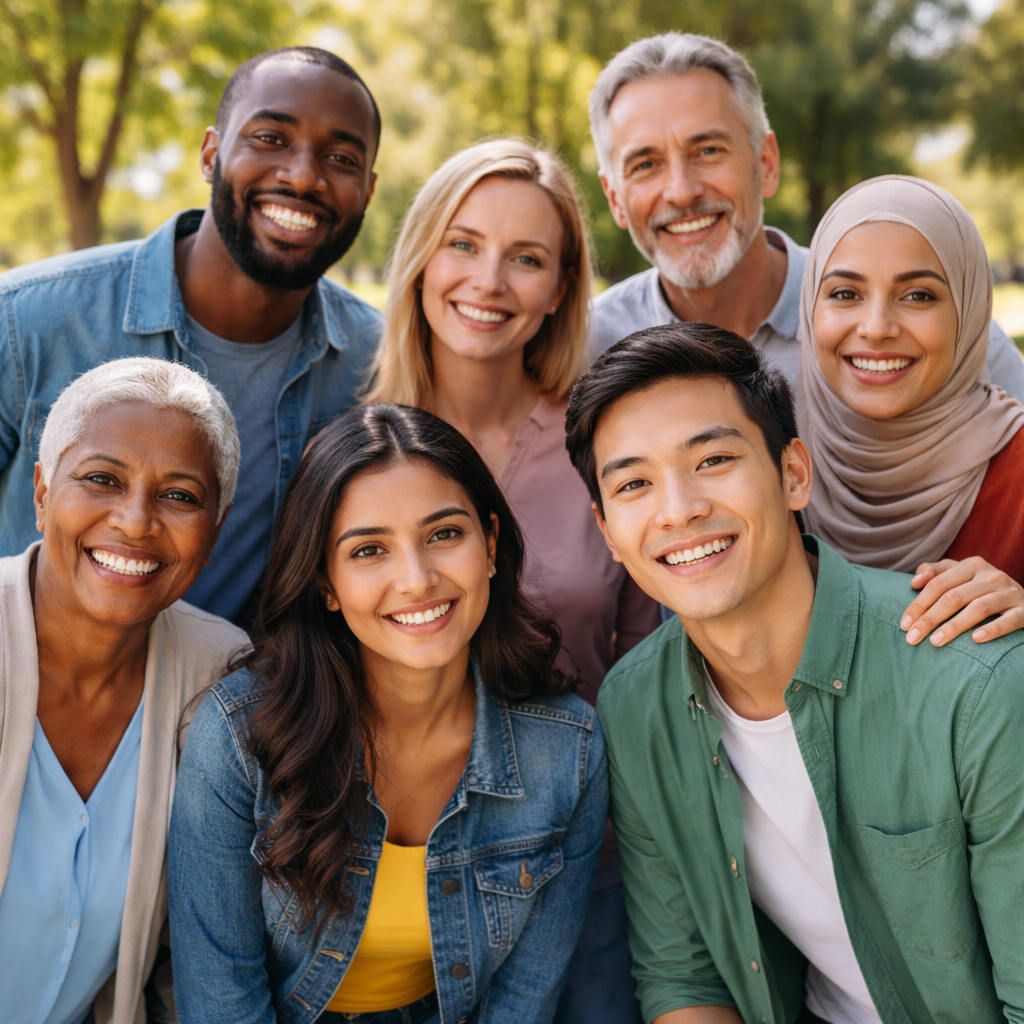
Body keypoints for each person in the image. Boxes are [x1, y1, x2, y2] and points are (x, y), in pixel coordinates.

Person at [564, 324, 1023, 1024]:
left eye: (713, 460)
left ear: (793, 474)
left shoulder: (972, 681)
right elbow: (683, 974)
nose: (679, 509)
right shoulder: (634, 706)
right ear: (607, 531)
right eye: (634, 483)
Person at [168, 404, 607, 1024]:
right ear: (325, 582)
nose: (416, 579)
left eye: (444, 534)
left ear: (490, 544)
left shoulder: (568, 749)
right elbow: (220, 999)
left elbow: (524, 999)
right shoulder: (239, 737)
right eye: (369, 550)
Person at [364, 137, 660, 1022]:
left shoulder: (606, 443)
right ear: (420, 255)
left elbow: (650, 657)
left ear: (562, 287)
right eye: (463, 244)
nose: (488, 282)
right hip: (402, 873)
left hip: (588, 856)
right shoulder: (354, 452)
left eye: (526, 258)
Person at [0, 46, 383, 628]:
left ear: (369, 191)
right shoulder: (26, 320)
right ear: (211, 154)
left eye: (339, 157)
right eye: (271, 138)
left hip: (244, 709)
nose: (303, 175)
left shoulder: (374, 362)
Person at [0, 357, 249, 1024]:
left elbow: (191, 950)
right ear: (43, 492)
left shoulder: (218, 676)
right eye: (102, 480)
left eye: (180, 496)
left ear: (215, 528)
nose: (136, 523)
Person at [587, 32, 1024, 401]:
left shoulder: (909, 323)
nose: (681, 191)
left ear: (768, 164)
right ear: (615, 199)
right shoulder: (587, 349)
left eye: (708, 151)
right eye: (645, 165)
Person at [800, 175, 1024, 597]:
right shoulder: (772, 464)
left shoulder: (1018, 477)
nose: (876, 328)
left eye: (918, 295)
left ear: (970, 312)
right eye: (846, 293)